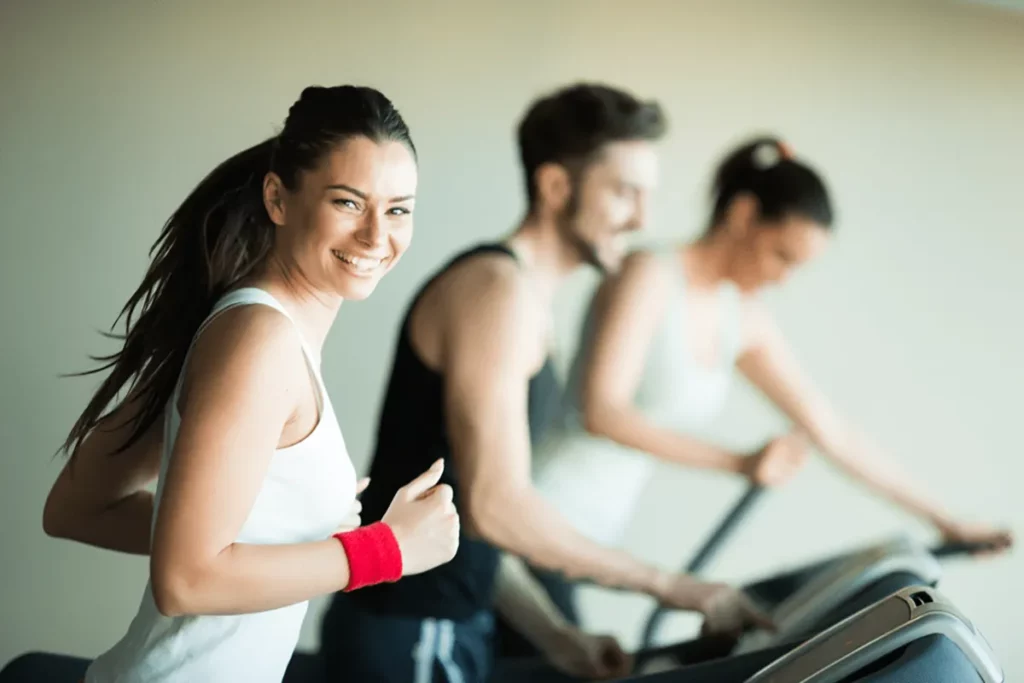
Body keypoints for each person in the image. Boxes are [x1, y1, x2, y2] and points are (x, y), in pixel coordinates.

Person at [319, 83, 780, 683]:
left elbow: (465, 514)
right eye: (623, 192)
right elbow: (497, 505)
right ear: (556, 186)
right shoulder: (496, 293)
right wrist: (671, 586)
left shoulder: (524, 301)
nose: (642, 218)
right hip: (408, 624)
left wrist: (556, 637)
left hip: (449, 620)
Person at [41, 84, 461, 683]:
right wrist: (385, 552)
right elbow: (184, 580)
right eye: (347, 203)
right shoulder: (256, 341)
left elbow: (75, 510)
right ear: (278, 198)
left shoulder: (254, 329)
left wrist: (296, 542)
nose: (376, 237)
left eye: (397, 209)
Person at [530, 135, 1014, 587]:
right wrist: (738, 461)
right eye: (781, 255)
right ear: (743, 215)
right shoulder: (650, 274)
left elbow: (832, 431)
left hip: (592, 534)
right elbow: (602, 412)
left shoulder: (741, 316)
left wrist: (943, 519)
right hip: (535, 506)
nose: (783, 279)